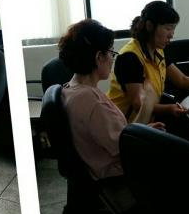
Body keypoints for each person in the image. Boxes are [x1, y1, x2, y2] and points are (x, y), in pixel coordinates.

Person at [59, 19, 165, 185]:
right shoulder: (91, 101)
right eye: (111, 52)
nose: (113, 59)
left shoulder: (70, 89)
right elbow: (125, 148)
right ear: (99, 57)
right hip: (118, 178)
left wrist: (143, 130)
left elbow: (111, 135)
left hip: (104, 166)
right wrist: (146, 106)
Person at [106, 1, 189, 138]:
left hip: (147, 122)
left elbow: (182, 80)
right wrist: (171, 109)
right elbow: (139, 105)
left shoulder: (158, 51)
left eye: (173, 30)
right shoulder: (130, 57)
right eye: (168, 29)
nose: (171, 35)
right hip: (124, 127)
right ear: (149, 26)